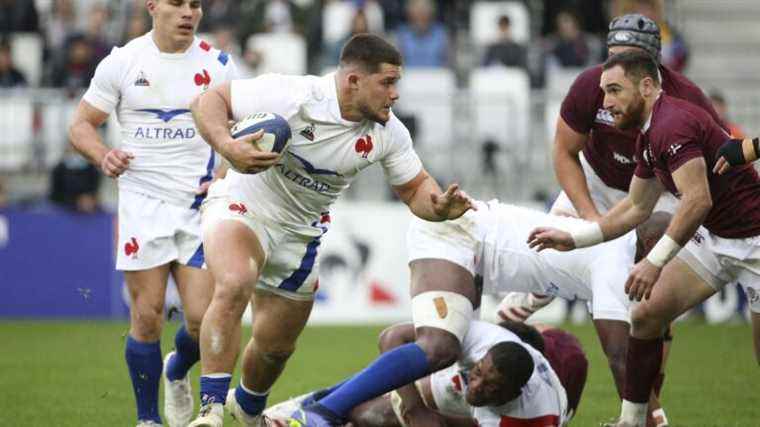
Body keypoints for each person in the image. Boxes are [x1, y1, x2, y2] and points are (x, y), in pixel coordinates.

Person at [187, 33, 473, 427]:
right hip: (244, 205)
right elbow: (210, 100)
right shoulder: (294, 95)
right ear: (353, 80)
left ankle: (248, 410)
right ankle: (210, 411)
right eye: (387, 83)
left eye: (397, 83)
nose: (395, 94)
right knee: (235, 281)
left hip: (302, 235)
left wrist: (438, 207)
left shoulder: (388, 132)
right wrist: (227, 145)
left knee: (275, 348)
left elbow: (415, 188)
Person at [527, 50, 760, 427]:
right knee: (647, 316)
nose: (606, 103)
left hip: (754, 242)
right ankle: (632, 421)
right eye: (603, 93)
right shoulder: (647, 135)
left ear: (647, 86)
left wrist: (654, 262)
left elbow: (698, 199)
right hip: (715, 238)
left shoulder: (672, 124)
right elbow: (636, 207)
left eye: (615, 90)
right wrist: (576, 239)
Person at [68, 1, 237, 426]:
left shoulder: (218, 64)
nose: (188, 12)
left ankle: (176, 368)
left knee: (202, 322)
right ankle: (148, 419)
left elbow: (242, 130)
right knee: (147, 315)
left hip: (200, 205)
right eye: (177, 3)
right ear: (153, 6)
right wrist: (104, 156)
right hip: (142, 203)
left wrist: (222, 173)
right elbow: (81, 125)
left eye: (195, 4)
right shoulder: (123, 62)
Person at [266, 320, 585, 427]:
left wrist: (440, 421)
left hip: (524, 406)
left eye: (490, 389)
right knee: (369, 415)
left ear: (512, 394)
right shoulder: (481, 339)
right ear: (480, 359)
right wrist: (417, 409)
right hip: (468, 385)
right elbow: (390, 338)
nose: (476, 388)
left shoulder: (529, 418)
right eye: (477, 374)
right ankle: (314, 410)